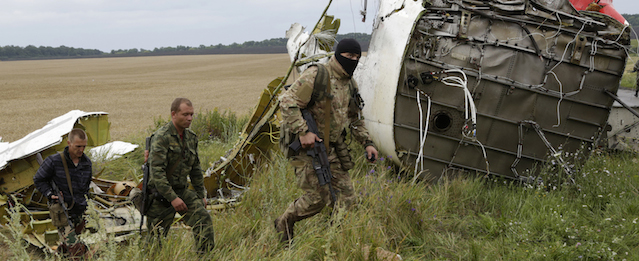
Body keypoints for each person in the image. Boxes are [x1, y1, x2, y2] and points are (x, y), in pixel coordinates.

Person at [275, 38, 379, 243]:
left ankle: (334, 242)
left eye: (357, 57)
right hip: (309, 150)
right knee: (316, 199)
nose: (353, 60)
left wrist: (367, 143)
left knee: (347, 198)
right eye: (349, 56)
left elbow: (355, 117)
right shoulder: (318, 75)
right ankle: (284, 221)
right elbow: (286, 101)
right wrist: (303, 131)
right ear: (339, 54)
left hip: (334, 149)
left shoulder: (350, 83)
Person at [146, 97, 215, 253]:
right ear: (173, 114)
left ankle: (205, 256)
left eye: (191, 114)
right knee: (155, 241)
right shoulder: (161, 137)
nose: (189, 118)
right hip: (160, 195)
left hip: (181, 191)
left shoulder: (191, 138)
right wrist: (173, 198)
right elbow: (157, 173)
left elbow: (196, 169)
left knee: (203, 220)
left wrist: (200, 195)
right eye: (185, 114)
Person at [34, 128, 92, 246]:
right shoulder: (54, 161)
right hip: (62, 211)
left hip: (80, 211)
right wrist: (50, 194)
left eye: (84, 146)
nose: (81, 150)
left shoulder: (86, 163)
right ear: (69, 143)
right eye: (78, 146)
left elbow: (86, 187)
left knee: (71, 246)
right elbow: (38, 180)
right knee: (75, 249)